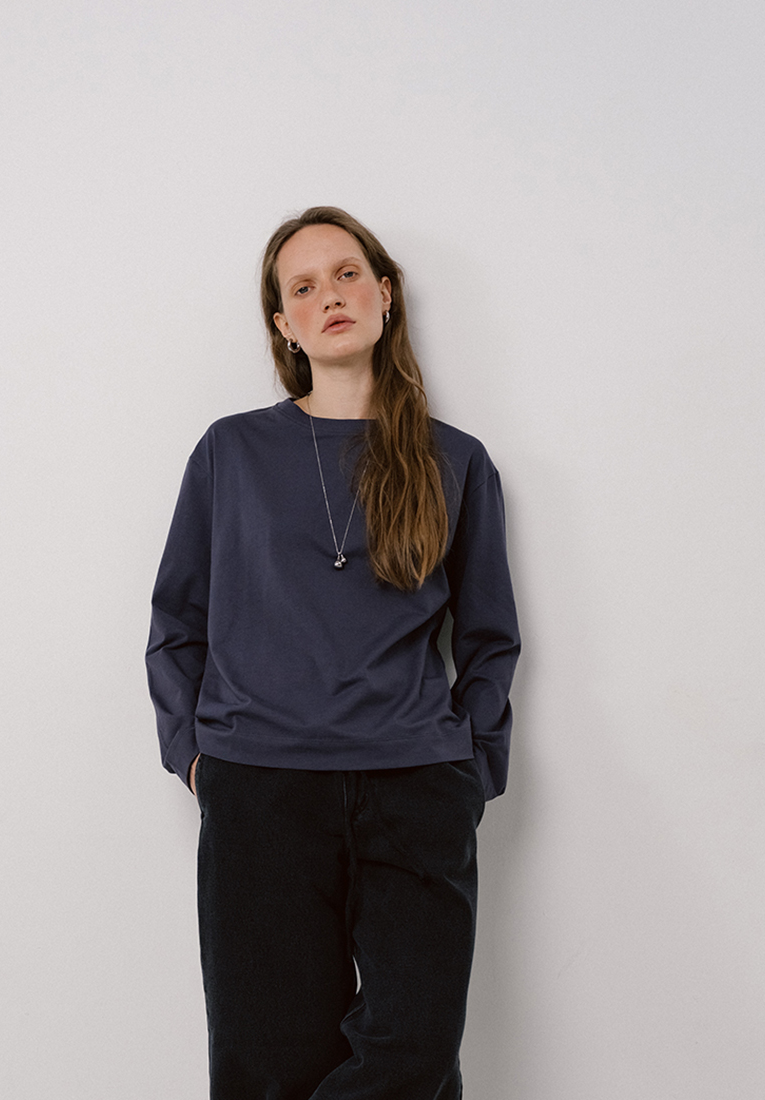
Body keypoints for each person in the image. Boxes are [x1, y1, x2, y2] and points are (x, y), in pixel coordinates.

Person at [146, 206, 520, 1100]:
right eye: (303, 287)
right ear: (284, 324)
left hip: (415, 785)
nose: (330, 296)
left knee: (413, 1055)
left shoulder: (456, 460)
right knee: (266, 1066)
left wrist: (471, 769)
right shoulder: (231, 451)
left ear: (386, 294)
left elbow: (489, 637)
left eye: (347, 274)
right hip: (260, 790)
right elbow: (177, 620)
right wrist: (194, 758)